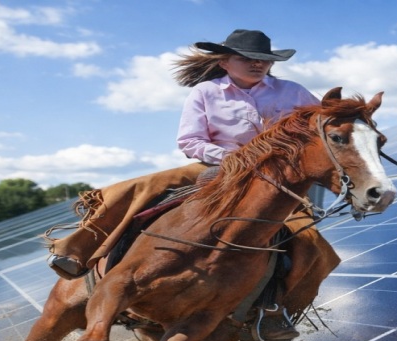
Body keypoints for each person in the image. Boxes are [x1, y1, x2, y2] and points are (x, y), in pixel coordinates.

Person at [46, 29, 319, 279]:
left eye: (263, 59)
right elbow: (190, 141)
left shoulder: (293, 91)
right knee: (145, 186)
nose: (257, 63)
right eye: (245, 57)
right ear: (224, 62)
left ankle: (278, 309)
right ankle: (75, 251)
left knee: (310, 241)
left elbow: (325, 125)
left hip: (278, 176)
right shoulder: (206, 92)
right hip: (220, 165)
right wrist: (233, 159)